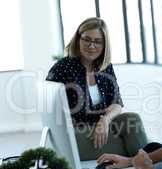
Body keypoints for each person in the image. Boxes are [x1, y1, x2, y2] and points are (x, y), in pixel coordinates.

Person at [46, 17, 148, 160]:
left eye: (98, 41)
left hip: (101, 125)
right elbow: (50, 112)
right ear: (78, 39)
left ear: (105, 44)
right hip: (75, 131)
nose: (91, 45)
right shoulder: (61, 68)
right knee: (131, 143)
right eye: (87, 39)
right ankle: (141, 159)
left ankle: (142, 160)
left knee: (133, 120)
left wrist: (105, 120)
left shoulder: (105, 67)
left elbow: (117, 104)